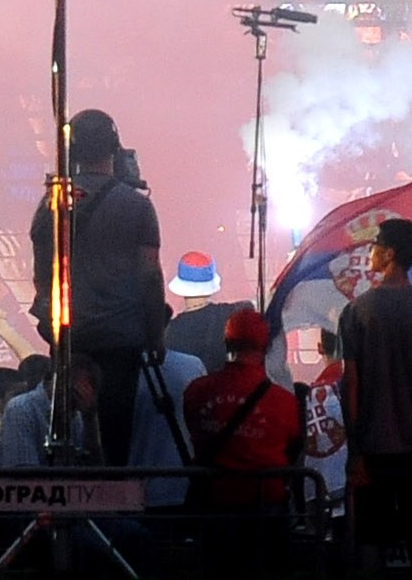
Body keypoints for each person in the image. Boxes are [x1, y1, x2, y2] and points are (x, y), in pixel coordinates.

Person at [25, 108, 167, 464]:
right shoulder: (136, 207)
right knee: (115, 439)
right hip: (120, 340)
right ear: (114, 149)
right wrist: (155, 334)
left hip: (70, 341)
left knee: (66, 439)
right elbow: (149, 276)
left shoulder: (50, 206)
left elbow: (42, 279)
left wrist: (51, 326)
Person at [336, 215, 412, 554]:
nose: (370, 253)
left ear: (389, 254)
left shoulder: (355, 312)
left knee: (371, 546)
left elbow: (350, 383)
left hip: (372, 447)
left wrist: (355, 451)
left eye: (375, 247)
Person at [182, 309, 302, 512]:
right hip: (265, 507)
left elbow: (194, 432)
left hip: (213, 507)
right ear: (265, 347)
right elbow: (293, 448)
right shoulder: (285, 401)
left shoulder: (197, 391)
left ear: (227, 343)